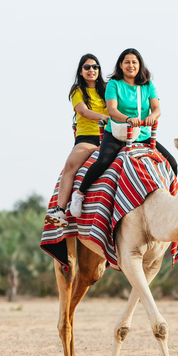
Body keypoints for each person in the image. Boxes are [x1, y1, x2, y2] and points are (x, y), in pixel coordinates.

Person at [70, 48, 178, 217]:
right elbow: (112, 110)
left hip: (142, 135)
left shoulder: (148, 86)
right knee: (104, 160)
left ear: (140, 65)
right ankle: (80, 194)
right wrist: (128, 119)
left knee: (172, 163)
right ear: (120, 65)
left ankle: (172, 203)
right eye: (127, 62)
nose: (131, 65)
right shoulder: (114, 84)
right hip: (117, 133)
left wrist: (151, 117)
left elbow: (157, 109)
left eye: (134, 62)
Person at [45, 54, 108, 227]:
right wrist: (104, 117)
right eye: (87, 67)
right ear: (81, 71)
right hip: (88, 138)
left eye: (95, 67)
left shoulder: (108, 88)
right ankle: (59, 211)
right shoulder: (77, 90)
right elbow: (83, 111)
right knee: (70, 166)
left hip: (109, 136)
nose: (91, 70)